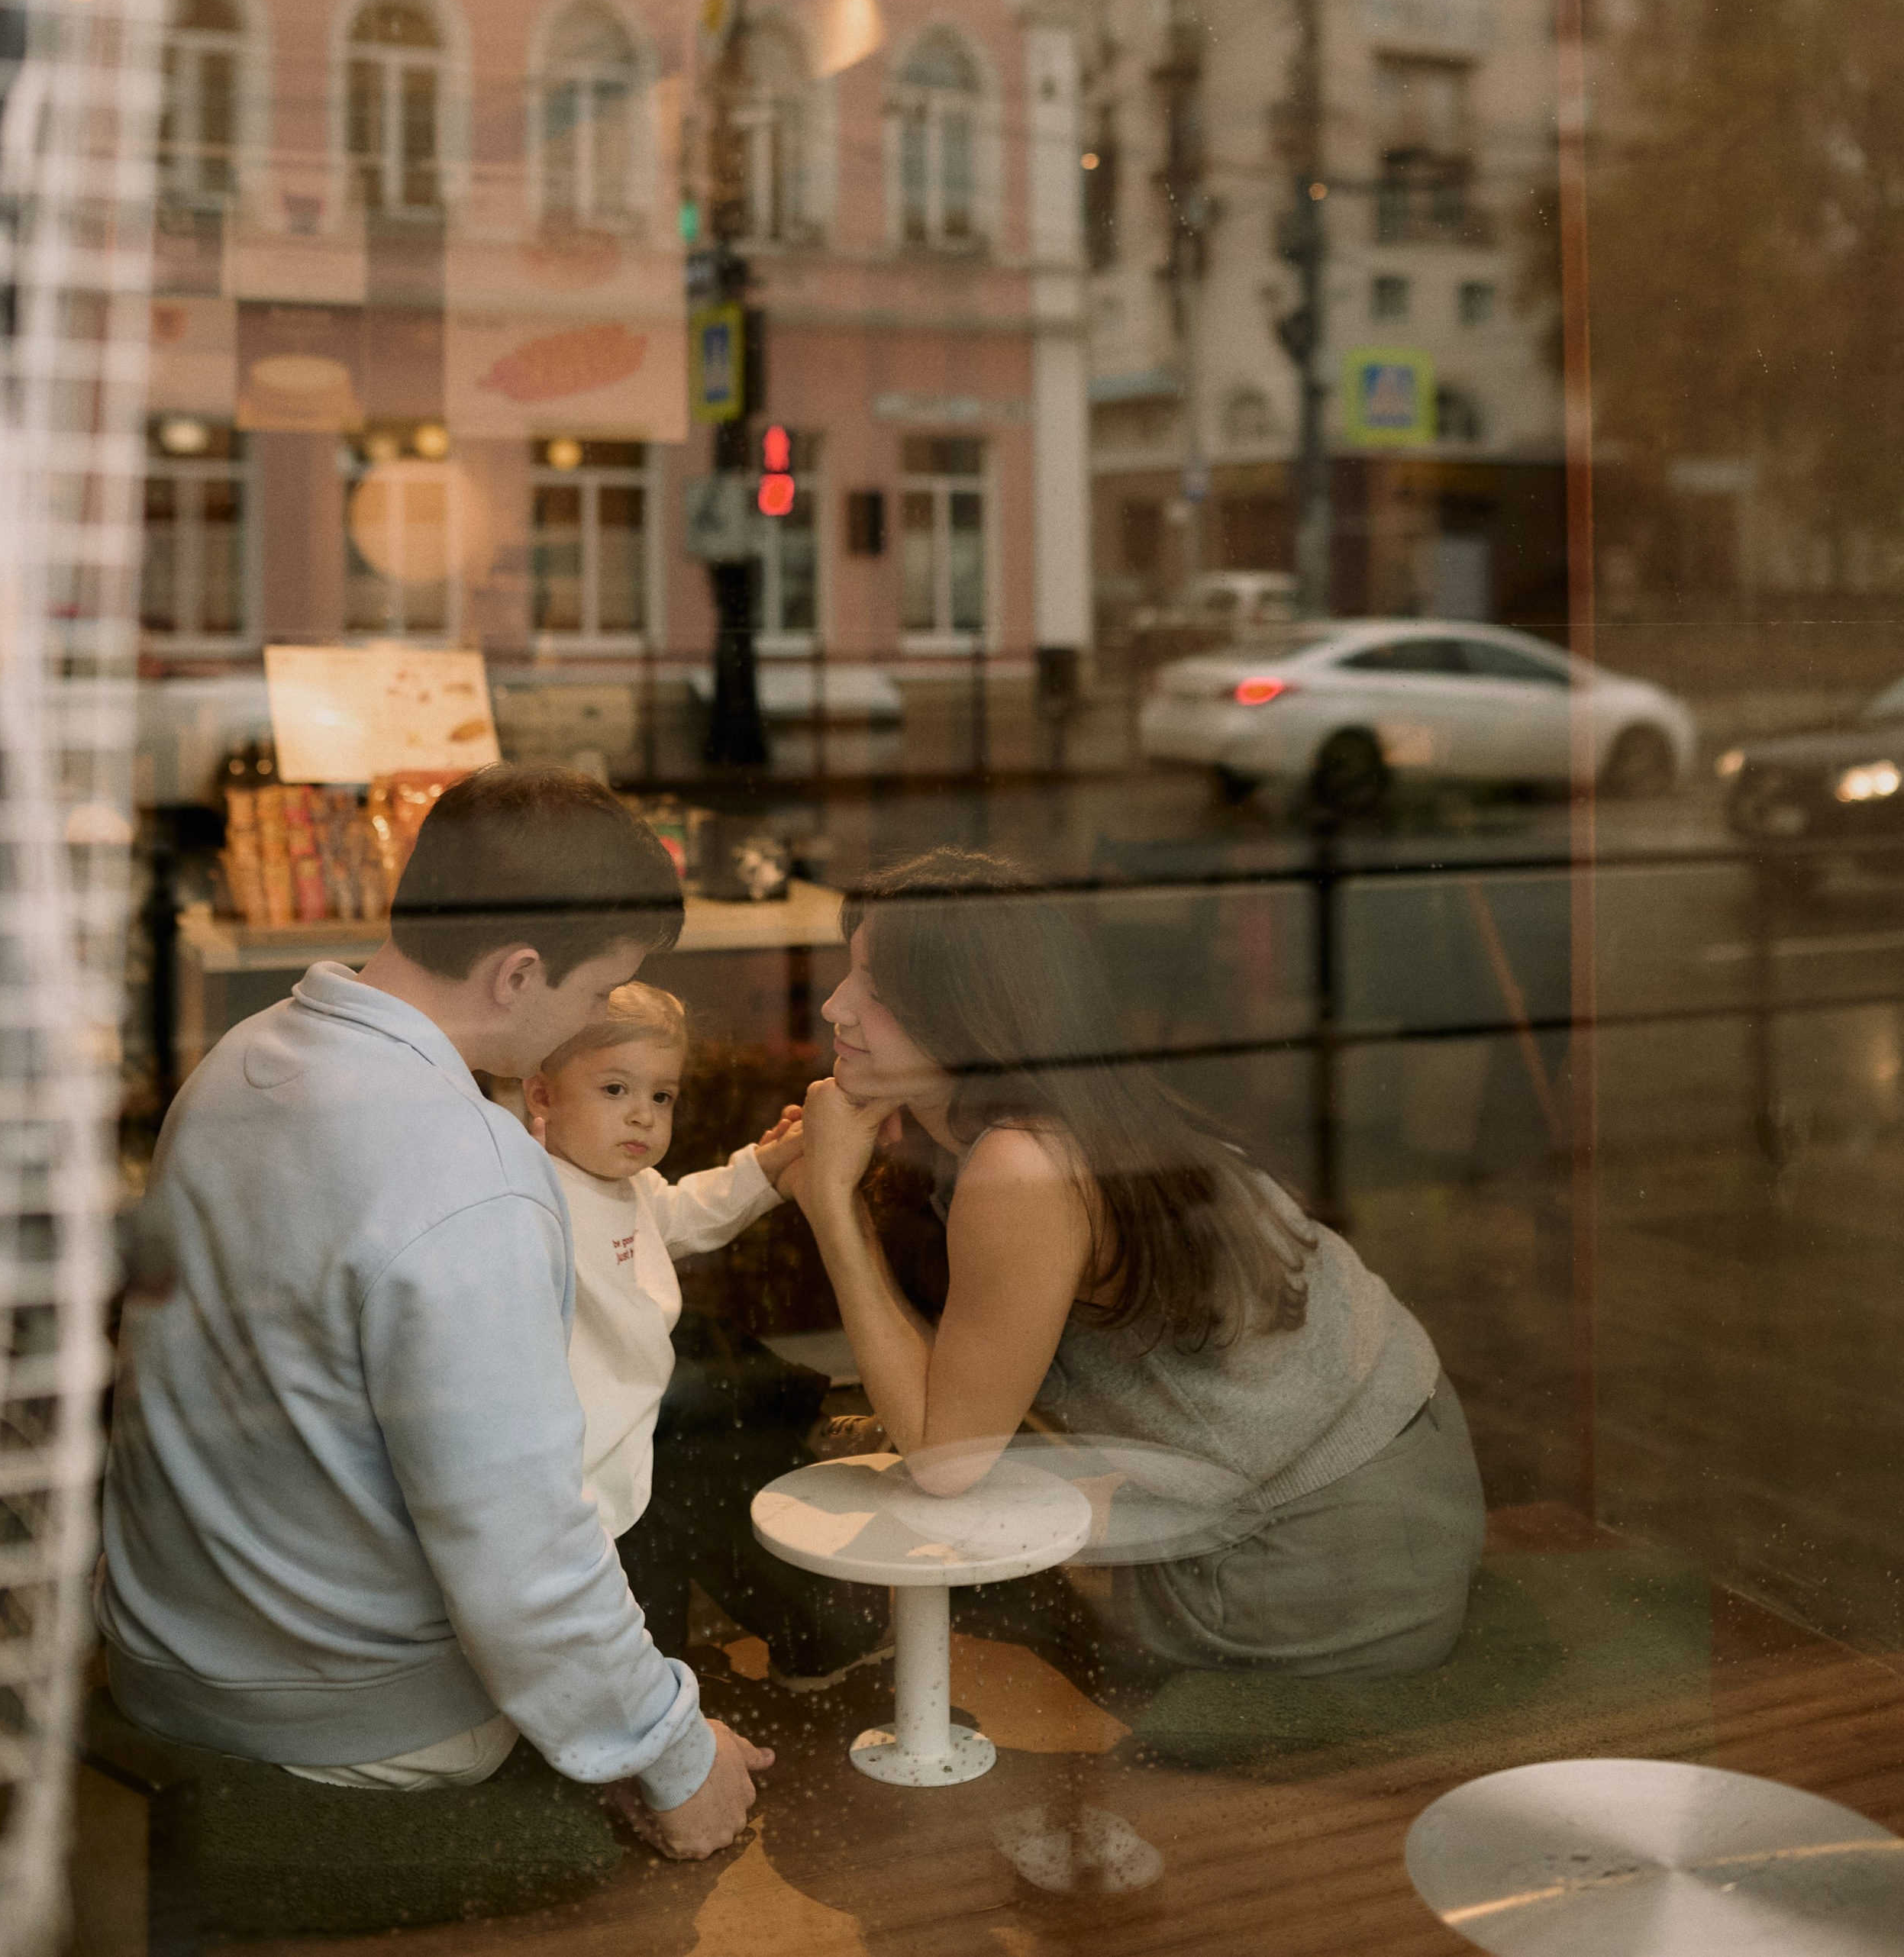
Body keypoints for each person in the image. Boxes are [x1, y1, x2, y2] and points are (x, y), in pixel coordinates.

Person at [98, 765, 771, 1860]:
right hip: (356, 1721)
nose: (596, 1020)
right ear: (518, 974)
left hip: (166, 1659)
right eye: (597, 993)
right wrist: (675, 1747)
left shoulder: (242, 1059)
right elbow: (522, 1552)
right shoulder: (468, 1171)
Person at [784, 850, 1485, 1682]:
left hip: (1318, 1561)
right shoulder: (1080, 1105)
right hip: (1411, 1487)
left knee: (966, 1577)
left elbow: (946, 1462)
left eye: (880, 992)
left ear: (968, 1018)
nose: (836, 1006)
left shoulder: (1022, 1162)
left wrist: (833, 1203)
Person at [518, 986, 889, 1682]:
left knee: (657, 1596)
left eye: (662, 1097)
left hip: (643, 1444)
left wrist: (769, 1168)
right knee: (628, 1607)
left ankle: (674, 1690)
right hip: (585, 1474)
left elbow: (684, 1213)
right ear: (542, 1096)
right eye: (615, 1088)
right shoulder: (536, 1196)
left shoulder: (619, 1181)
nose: (642, 1114)